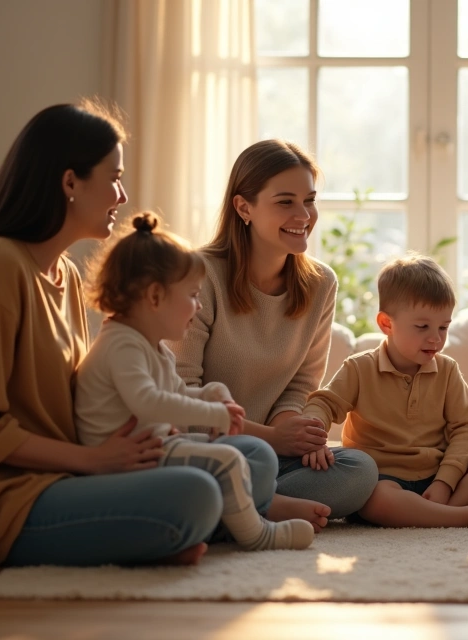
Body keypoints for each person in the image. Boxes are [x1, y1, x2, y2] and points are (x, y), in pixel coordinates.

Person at [0, 101, 223, 567]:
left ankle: (161, 534)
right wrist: (94, 461)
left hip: (72, 473)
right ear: (70, 182)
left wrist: (145, 432)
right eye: (114, 177)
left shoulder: (67, 275)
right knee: (198, 493)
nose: (122, 195)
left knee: (249, 459)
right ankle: (171, 529)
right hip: (9, 497)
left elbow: (79, 398)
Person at [74, 212, 314, 551]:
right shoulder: (121, 345)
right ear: (155, 297)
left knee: (254, 455)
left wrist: (212, 394)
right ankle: (256, 534)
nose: (198, 306)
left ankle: (221, 519)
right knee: (227, 460)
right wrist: (213, 414)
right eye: (192, 295)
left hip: (154, 447)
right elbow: (149, 402)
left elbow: (175, 392)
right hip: (124, 462)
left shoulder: (153, 346)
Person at [171, 140, 378, 532]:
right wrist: (271, 437)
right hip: (205, 445)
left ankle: (241, 506)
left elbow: (300, 384)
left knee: (360, 469)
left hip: (269, 453)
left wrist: (293, 433)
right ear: (243, 208)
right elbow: (181, 397)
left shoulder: (321, 284)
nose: (303, 215)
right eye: (285, 202)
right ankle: (260, 506)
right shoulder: (198, 274)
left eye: (309, 200)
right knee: (226, 467)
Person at [302, 255, 468, 532]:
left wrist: (445, 481)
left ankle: (436, 513)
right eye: (422, 327)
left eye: (443, 327)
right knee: (375, 499)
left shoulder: (447, 370)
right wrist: (314, 432)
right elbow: (323, 403)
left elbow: (467, 429)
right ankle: (463, 517)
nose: (435, 338)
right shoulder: (359, 368)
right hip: (384, 480)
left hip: (439, 475)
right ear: (386, 324)